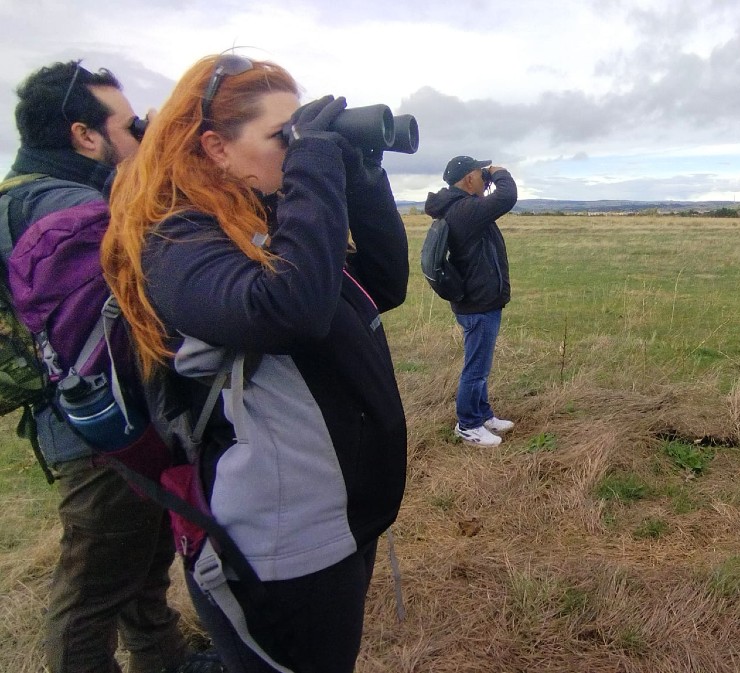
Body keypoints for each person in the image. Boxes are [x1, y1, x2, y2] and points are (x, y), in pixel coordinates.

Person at [101, 54, 409, 673]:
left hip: (337, 514)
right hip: (280, 542)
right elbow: (286, 313)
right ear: (216, 147)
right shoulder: (177, 241)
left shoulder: (264, 219)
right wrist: (313, 165)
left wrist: (361, 172)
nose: (296, 152)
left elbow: (383, 280)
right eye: (283, 138)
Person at [1, 60, 213, 673]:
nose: (140, 135)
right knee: (91, 589)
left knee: (142, 559)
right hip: (100, 429)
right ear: (84, 135)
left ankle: (164, 659)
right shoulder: (69, 209)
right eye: (129, 124)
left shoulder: (24, 196)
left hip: (83, 417)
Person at [424, 156, 518, 446]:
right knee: (476, 368)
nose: (484, 177)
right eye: (480, 174)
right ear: (468, 179)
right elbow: (507, 196)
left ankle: (482, 414)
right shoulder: (465, 209)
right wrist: (498, 172)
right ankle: (467, 424)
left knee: (481, 364)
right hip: (478, 303)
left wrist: (486, 177)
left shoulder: (461, 207)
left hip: (478, 299)